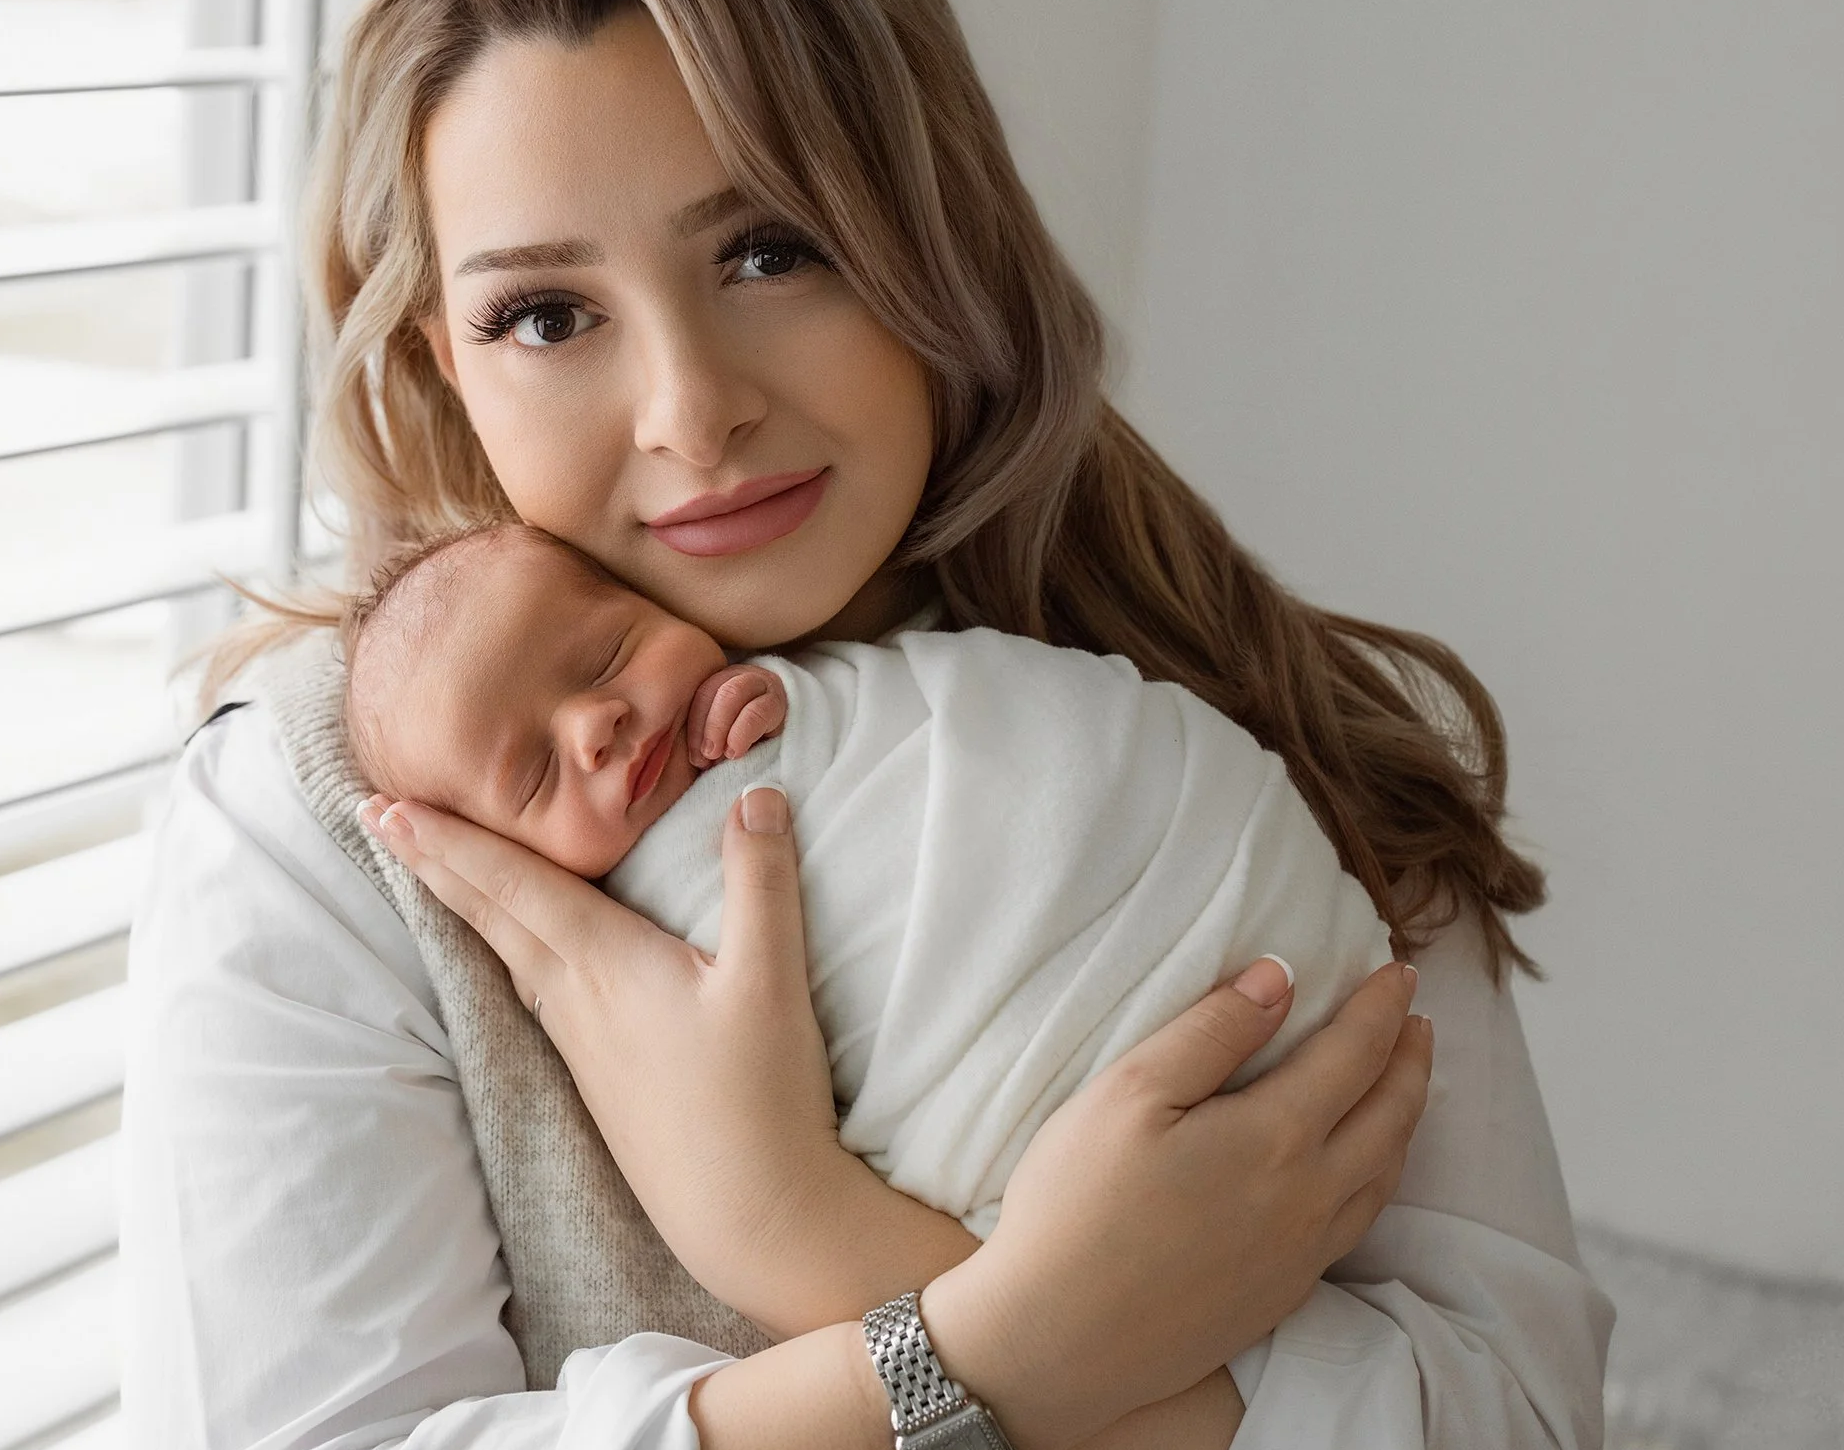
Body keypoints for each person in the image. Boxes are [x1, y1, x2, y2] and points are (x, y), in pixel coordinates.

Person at [122, 0, 1612, 1450]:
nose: (693, 410)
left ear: (939, 245)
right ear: (447, 363)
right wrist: (988, 1343)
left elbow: (1512, 1438)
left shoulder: (1287, 725)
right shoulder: (327, 819)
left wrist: (823, 1243)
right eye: (546, 314)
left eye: (771, 249)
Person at [331, 518, 1392, 1241]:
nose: (596, 724)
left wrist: (774, 699)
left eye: (609, 653)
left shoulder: (770, 690)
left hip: (1208, 907)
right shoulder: (606, 926)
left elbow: (867, 720)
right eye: (533, 771)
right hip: (1028, 1111)